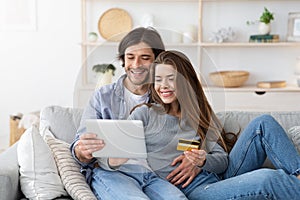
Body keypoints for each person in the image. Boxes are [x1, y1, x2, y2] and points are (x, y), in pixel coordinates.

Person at [104, 50, 300, 200]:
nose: (163, 86)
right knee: (267, 178)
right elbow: (116, 150)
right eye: (158, 80)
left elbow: (223, 161)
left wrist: (203, 160)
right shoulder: (144, 114)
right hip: (196, 191)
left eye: (170, 79)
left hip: (222, 177)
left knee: (263, 123)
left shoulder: (199, 114)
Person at [70, 27, 193, 199]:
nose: (136, 65)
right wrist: (82, 151)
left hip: (154, 176)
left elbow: (187, 137)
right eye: (130, 57)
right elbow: (79, 146)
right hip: (112, 173)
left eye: (145, 58)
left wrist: (193, 157)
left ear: (157, 62)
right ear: (122, 59)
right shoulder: (103, 96)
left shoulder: (167, 96)